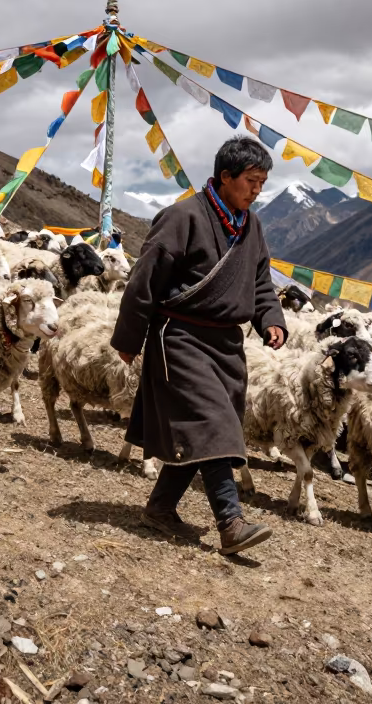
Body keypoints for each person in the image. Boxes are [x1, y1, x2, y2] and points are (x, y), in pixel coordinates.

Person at [110, 135, 287, 555]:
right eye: (251, 180)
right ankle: (231, 523)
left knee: (204, 431)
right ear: (225, 177)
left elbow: (260, 279)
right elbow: (144, 280)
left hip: (227, 344)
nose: (257, 190)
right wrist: (130, 339)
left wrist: (270, 319)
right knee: (212, 426)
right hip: (182, 338)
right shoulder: (182, 217)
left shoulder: (251, 225)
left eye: (262, 182)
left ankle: (159, 508)